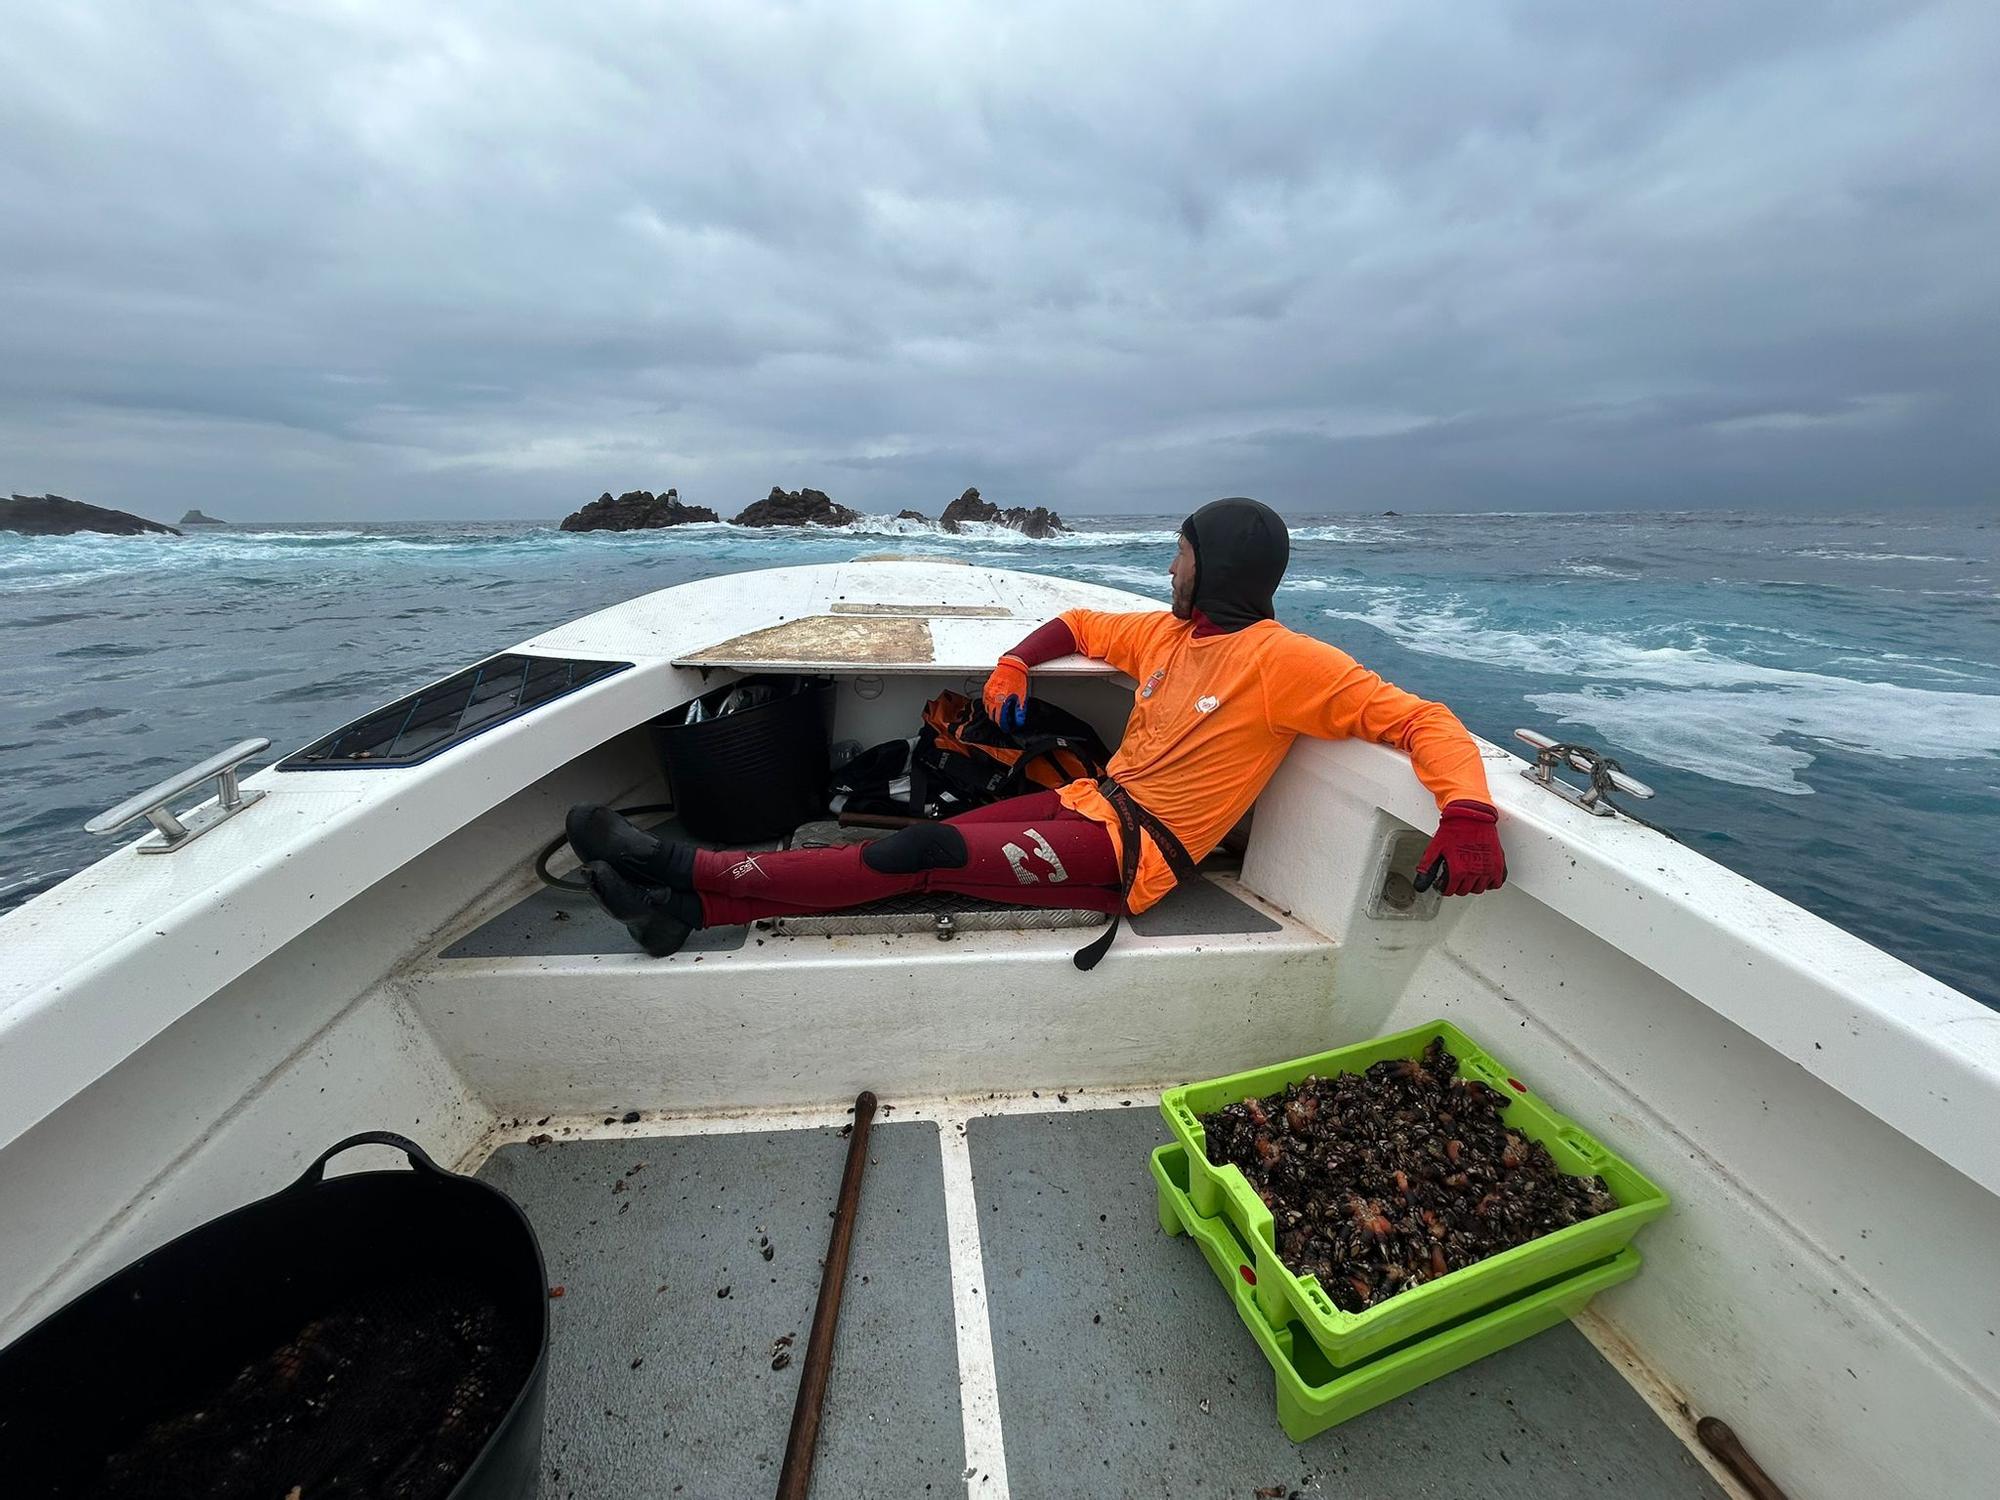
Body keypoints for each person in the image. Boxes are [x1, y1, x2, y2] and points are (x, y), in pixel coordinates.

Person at [570, 497, 1506, 960]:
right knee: (918, 846)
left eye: (1178, 555)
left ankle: (684, 872)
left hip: (1141, 853)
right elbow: (1081, 628)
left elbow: (1421, 720)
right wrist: (1017, 661)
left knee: (917, 852)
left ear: (1215, 564)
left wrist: (1467, 815)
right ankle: (687, 917)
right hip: (1090, 801)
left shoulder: (1287, 664)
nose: (1168, 569)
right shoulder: (1173, 637)